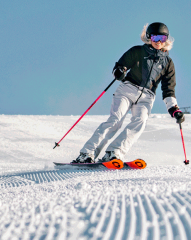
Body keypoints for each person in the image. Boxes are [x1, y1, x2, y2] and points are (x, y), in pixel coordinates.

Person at [72, 22, 184, 164]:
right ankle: (87, 153)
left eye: (162, 38)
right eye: (156, 38)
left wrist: (174, 109)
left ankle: (114, 152)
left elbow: (168, 89)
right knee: (115, 121)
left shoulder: (168, 63)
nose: (159, 42)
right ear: (149, 37)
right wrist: (119, 71)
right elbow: (120, 66)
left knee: (140, 122)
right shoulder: (138, 51)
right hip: (127, 90)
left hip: (147, 97)